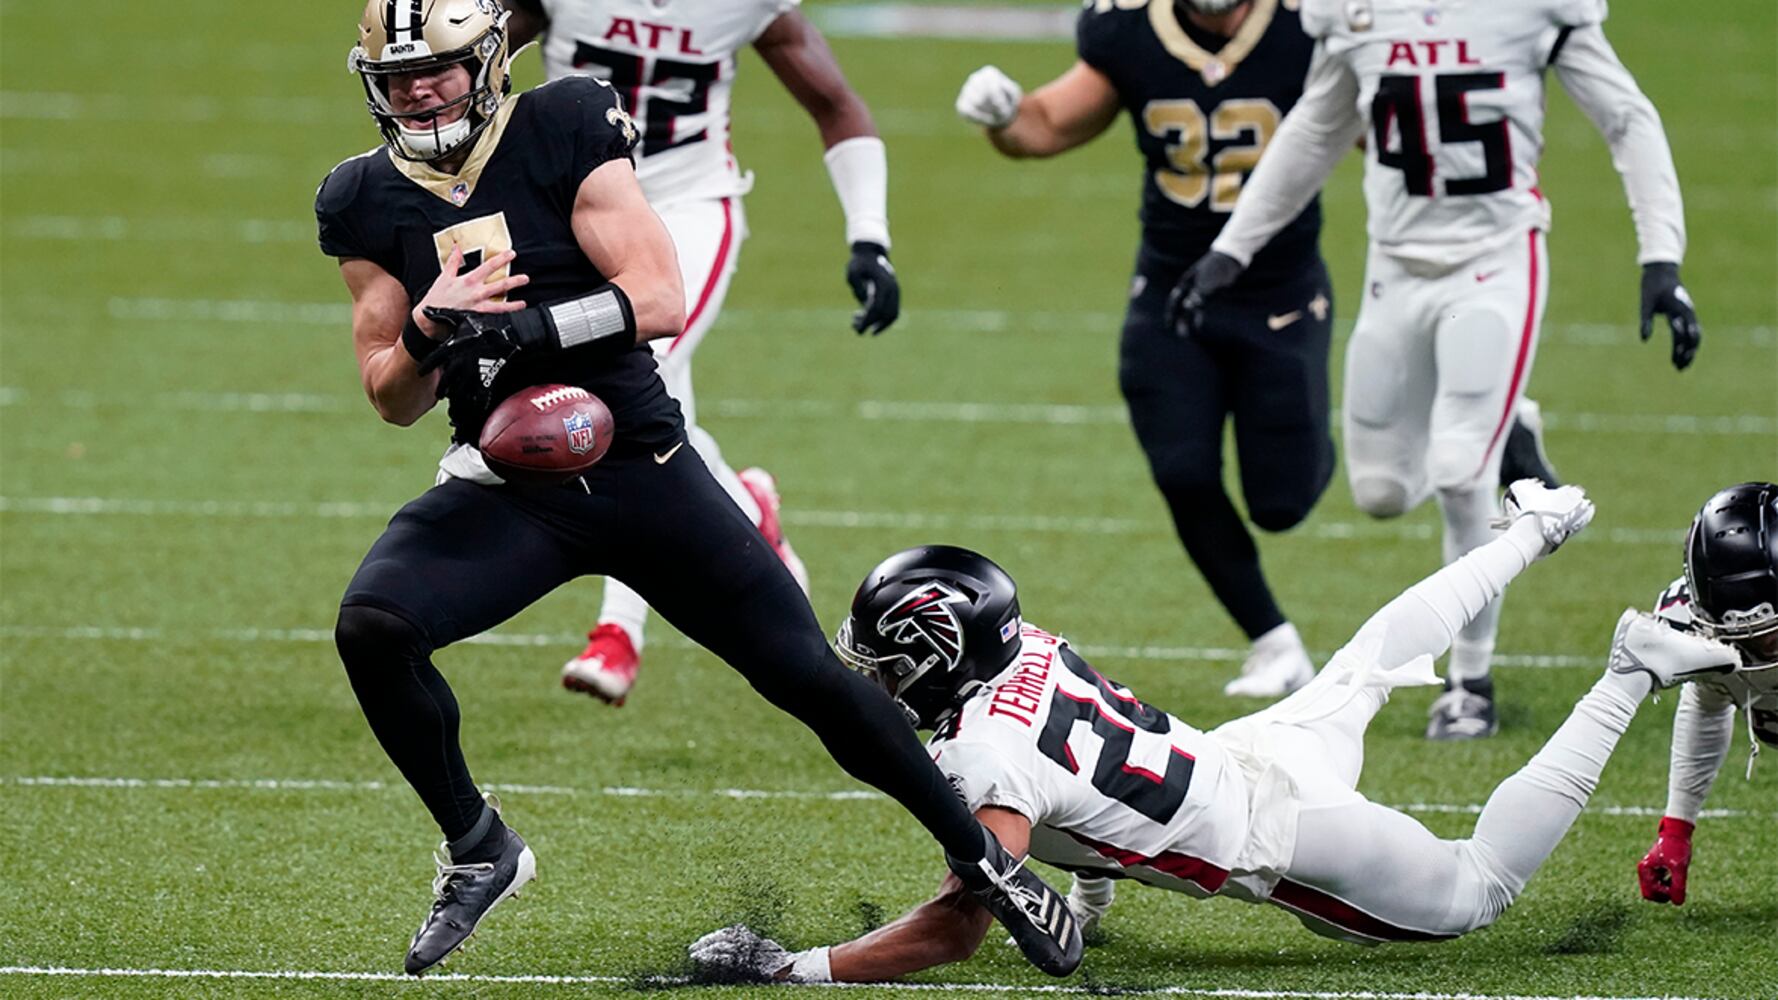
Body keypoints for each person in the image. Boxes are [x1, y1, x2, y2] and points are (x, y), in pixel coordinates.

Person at [316, 0, 1077, 977]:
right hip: (508, 481)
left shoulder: (564, 121)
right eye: (402, 76)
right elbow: (390, 393)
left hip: (641, 464)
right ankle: (478, 847)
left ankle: (985, 863)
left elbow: (658, 296)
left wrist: (520, 333)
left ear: (492, 56)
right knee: (373, 624)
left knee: (807, 678)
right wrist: (429, 327)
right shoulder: (362, 196)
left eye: (442, 68)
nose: (422, 90)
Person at [684, 482, 1744, 982]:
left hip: (1279, 835)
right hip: (1239, 752)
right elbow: (1076, 792)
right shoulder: (1022, 646)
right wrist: (1091, 891)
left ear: (937, 658)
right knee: (1364, 662)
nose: (872, 678)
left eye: (886, 660)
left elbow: (966, 918)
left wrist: (800, 968)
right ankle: (1534, 526)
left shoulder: (984, 763)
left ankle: (1623, 672)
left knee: (1473, 890)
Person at [1175, 0, 1702, 739]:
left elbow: (1628, 118)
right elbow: (1316, 129)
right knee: (1384, 492)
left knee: (1459, 472)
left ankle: (1469, 682)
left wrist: (1661, 258)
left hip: (1495, 259)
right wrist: (1234, 247)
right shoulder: (1354, 13)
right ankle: (1508, 421)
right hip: (1395, 266)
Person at [500, 0, 900, 705]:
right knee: (629, 392)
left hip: (687, 204)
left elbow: (836, 103)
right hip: (573, 208)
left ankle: (619, 631)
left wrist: (870, 234)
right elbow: (468, 66)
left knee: (628, 383)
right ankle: (746, 505)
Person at [951, 0, 1337, 700]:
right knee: (1183, 469)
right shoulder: (1131, 28)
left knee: (1282, 501)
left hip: (1277, 292)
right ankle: (1274, 642)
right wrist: (1004, 115)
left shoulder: (1310, 24)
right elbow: (1042, 128)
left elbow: (1394, 123)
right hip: (1171, 287)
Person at [1636, 482, 1778, 907]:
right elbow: (1709, 699)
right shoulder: (1684, 621)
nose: (1756, 653)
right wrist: (1675, 829)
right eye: (1739, 640)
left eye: (1770, 636)